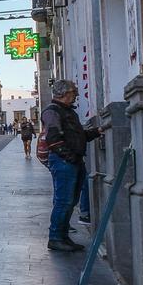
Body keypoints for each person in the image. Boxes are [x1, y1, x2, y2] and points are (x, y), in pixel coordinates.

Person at [41, 80, 102, 251]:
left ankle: (62, 236)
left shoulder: (68, 111)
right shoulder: (52, 112)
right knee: (63, 201)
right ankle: (55, 237)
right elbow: (53, 139)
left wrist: (96, 132)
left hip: (72, 160)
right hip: (64, 162)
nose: (76, 95)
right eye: (73, 92)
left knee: (70, 201)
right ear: (63, 94)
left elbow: (77, 136)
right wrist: (70, 157)